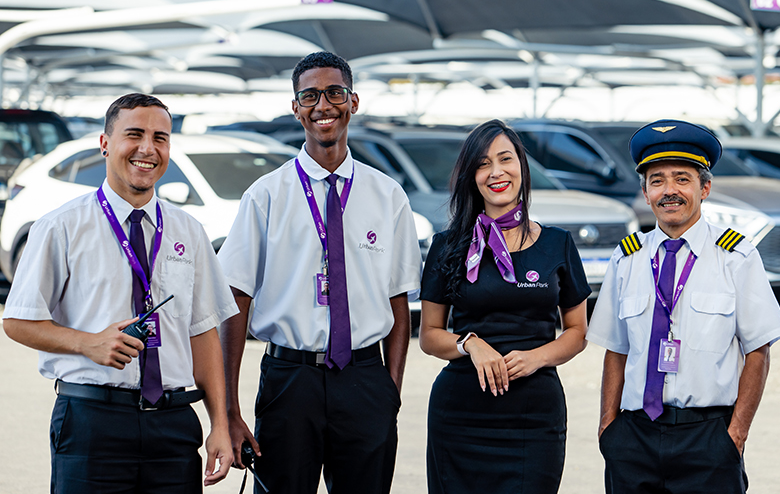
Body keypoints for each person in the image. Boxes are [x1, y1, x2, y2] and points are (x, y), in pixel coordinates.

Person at [2, 93, 238, 493]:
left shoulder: (189, 231)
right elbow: (17, 321)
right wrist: (88, 344)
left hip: (173, 424)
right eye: (134, 134)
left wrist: (219, 424)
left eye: (160, 138)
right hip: (91, 421)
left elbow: (203, 332)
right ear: (105, 144)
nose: (148, 149)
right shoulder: (61, 227)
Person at [217, 51, 422, 494]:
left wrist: (390, 391)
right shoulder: (265, 196)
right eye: (309, 95)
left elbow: (398, 301)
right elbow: (235, 301)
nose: (323, 105)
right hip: (290, 382)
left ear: (353, 101)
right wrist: (228, 409)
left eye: (334, 93)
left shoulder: (388, 196)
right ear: (296, 108)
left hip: (366, 380)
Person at [586, 119, 780, 494]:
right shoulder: (627, 258)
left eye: (682, 178)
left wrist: (736, 435)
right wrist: (608, 428)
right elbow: (616, 350)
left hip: (708, 438)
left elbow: (758, 350)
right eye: (657, 180)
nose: (670, 191)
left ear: (705, 187)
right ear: (645, 193)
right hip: (634, 437)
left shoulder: (736, 256)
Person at [419, 119, 590, 494]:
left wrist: (536, 358)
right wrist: (470, 344)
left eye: (505, 159)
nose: (496, 172)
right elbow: (429, 336)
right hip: (461, 413)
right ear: (470, 176)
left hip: (534, 414)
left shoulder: (557, 244)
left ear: (522, 168)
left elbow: (577, 332)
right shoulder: (447, 246)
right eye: (482, 164)